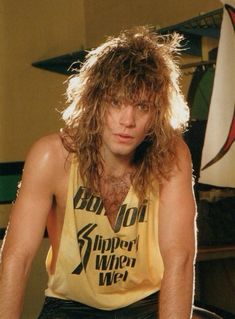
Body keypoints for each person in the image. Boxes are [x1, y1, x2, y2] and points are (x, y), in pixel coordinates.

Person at [0, 26, 222, 319]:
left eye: (142, 106)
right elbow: (18, 257)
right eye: (116, 102)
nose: (127, 120)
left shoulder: (170, 155)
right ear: (94, 102)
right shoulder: (51, 156)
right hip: (70, 306)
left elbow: (179, 258)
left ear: (157, 113)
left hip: (147, 304)